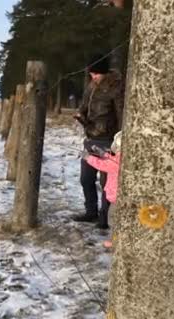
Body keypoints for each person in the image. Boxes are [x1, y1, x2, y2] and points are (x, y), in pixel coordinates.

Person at [73, 54, 124, 229]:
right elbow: (84, 105)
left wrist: (119, 140)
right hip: (90, 139)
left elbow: (122, 114)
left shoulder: (116, 87)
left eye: (96, 74)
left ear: (104, 72)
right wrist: (80, 114)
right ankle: (91, 212)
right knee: (86, 179)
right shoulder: (91, 86)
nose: (93, 77)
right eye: (91, 74)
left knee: (106, 184)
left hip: (108, 141)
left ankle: (104, 218)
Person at [84, 131, 122, 248]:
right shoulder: (120, 158)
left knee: (114, 221)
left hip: (116, 196)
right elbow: (110, 158)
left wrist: (88, 158)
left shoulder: (117, 162)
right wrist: (100, 152)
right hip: (116, 195)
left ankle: (115, 242)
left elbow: (103, 165)